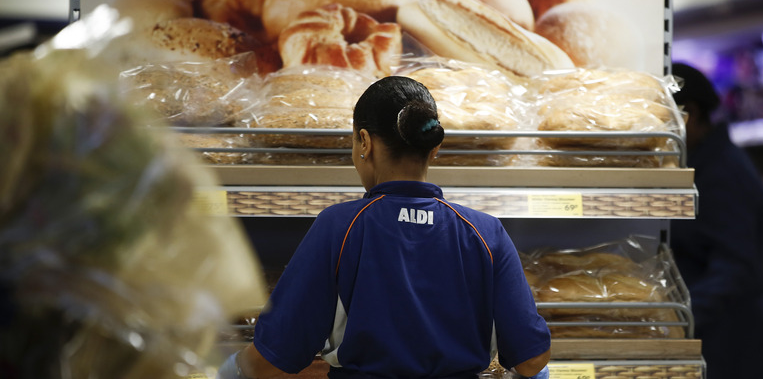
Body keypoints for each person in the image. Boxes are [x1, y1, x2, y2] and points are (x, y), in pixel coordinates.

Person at [218, 76, 551, 379]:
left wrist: (227, 371)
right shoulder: (486, 232)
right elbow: (532, 361)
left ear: (365, 142)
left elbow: (269, 361)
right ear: (434, 148)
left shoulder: (340, 227)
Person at [670, 62, 763, 378]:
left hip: (734, 345)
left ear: (690, 113)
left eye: (666, 118)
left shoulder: (725, 173)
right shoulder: (701, 164)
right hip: (715, 333)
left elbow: (736, 268)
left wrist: (674, 320)